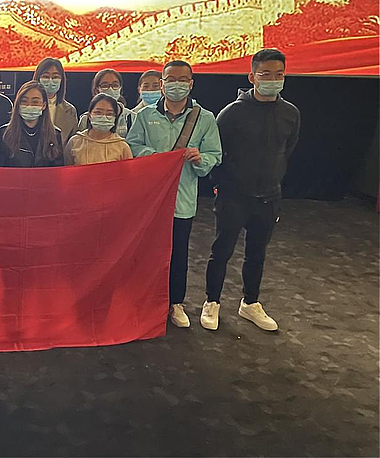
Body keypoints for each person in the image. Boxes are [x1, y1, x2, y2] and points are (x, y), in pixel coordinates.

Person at [200, 48, 300, 332]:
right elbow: (216, 153)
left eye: (278, 74)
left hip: (269, 197)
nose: (272, 79)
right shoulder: (232, 113)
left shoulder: (291, 113)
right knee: (221, 251)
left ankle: (250, 303)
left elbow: (287, 150)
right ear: (252, 76)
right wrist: (222, 186)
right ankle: (212, 301)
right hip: (233, 196)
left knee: (257, 253)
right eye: (265, 74)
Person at [126, 60, 222, 328]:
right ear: (162, 84)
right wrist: (158, 158)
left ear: (190, 84)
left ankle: (175, 302)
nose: (176, 85)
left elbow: (215, 155)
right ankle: (142, 299)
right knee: (145, 251)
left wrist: (200, 158)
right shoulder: (145, 116)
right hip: (149, 200)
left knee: (178, 253)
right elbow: (133, 146)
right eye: (170, 80)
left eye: (182, 80)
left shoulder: (204, 118)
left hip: (182, 199)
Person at [0, 81, 64, 167]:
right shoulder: (5, 134)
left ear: (44, 105)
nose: (29, 105)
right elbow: (1, 169)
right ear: (18, 104)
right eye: (24, 101)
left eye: (35, 102)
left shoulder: (55, 134)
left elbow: (58, 169)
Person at [66, 94, 133, 165]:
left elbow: (128, 170)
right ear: (89, 115)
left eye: (109, 114)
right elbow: (67, 168)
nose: (103, 117)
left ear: (115, 118)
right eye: (98, 112)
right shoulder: (75, 142)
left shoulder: (122, 146)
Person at [32, 57, 78, 146]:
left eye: (55, 77)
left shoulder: (70, 110)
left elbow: (72, 144)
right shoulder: (26, 106)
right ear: (38, 78)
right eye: (46, 76)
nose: (50, 80)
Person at [77, 69, 136, 138]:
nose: (110, 89)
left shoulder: (132, 117)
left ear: (120, 89)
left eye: (115, 85)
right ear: (96, 90)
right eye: (105, 85)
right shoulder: (86, 119)